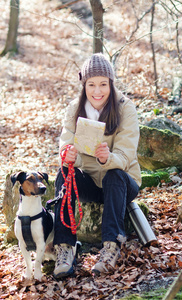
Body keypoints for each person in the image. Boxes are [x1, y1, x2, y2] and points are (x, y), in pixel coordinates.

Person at [53, 53, 142, 279]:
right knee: (64, 173)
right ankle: (64, 248)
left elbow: (126, 153)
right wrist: (68, 155)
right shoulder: (75, 108)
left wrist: (107, 158)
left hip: (121, 183)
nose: (97, 91)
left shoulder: (125, 108)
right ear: (84, 85)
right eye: (91, 85)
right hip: (91, 181)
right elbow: (65, 142)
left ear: (111, 84)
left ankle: (111, 247)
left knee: (114, 174)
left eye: (103, 84)